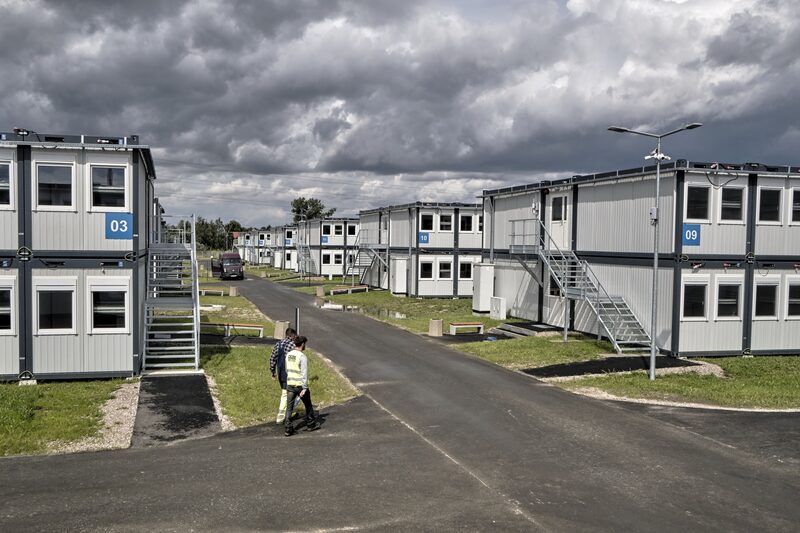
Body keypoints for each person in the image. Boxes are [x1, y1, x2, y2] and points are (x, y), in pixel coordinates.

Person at [284, 335, 320, 436]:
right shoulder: (302, 357)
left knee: (289, 408)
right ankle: (311, 424)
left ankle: (288, 428)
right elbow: (304, 373)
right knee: (308, 405)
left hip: (290, 384)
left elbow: (287, 369)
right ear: (303, 344)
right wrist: (304, 387)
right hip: (300, 386)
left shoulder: (289, 354)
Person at [270, 327, 299, 424]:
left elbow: (272, 358)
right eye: (295, 336)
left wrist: (273, 372)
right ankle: (282, 416)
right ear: (293, 335)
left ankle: (290, 412)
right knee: (292, 394)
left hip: (281, 374)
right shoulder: (293, 345)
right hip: (291, 374)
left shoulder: (278, 344)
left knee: (286, 393)